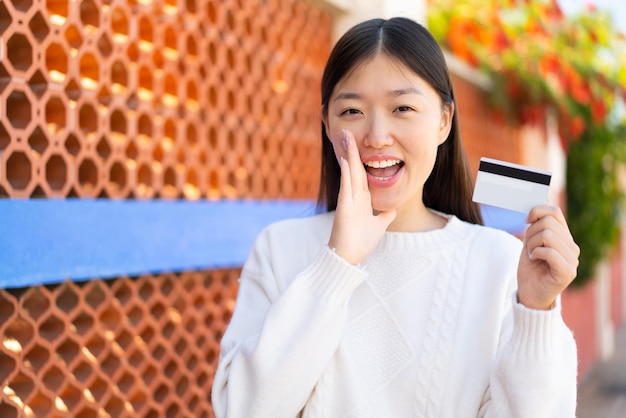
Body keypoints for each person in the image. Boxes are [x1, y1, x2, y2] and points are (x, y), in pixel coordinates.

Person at [212, 17, 580, 418]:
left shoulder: (499, 263)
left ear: (443, 120)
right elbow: (242, 410)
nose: (377, 135)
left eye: (403, 108)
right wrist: (336, 265)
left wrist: (537, 311)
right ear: (327, 124)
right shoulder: (280, 249)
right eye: (351, 110)